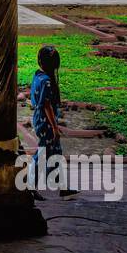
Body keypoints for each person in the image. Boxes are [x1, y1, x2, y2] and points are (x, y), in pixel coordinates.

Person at [28, 45, 76, 200]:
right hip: (46, 122)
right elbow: (47, 105)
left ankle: (62, 187)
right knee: (43, 154)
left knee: (56, 153)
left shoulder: (38, 76)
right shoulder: (47, 81)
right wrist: (55, 128)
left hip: (41, 120)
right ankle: (30, 186)